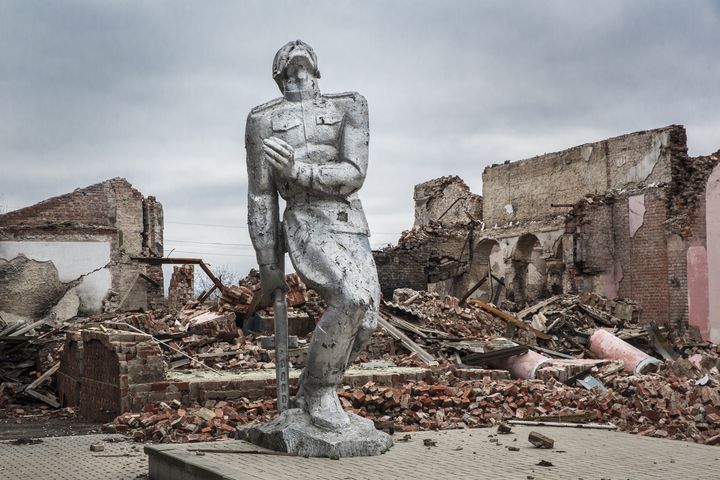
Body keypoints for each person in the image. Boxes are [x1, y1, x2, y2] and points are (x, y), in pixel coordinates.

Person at [245, 40, 380, 431]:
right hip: (304, 219)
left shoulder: (349, 106)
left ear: (317, 69)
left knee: (366, 319)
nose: (298, 74)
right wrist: (268, 262)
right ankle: (321, 392)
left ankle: (310, 391)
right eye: (289, 69)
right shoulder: (262, 120)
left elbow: (354, 172)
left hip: (349, 220)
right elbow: (260, 195)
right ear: (278, 76)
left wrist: (299, 168)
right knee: (351, 296)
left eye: (304, 67)